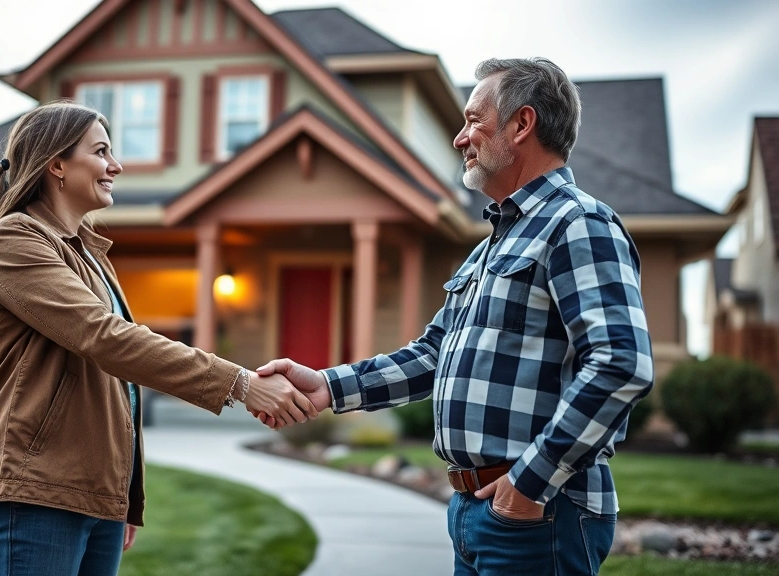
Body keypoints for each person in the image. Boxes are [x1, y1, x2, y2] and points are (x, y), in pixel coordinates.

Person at [257, 57, 654, 576]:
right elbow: (433, 355)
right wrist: (329, 387)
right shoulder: (493, 244)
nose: (459, 138)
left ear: (521, 124)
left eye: (473, 120)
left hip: (539, 515)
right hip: (478, 511)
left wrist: (529, 484)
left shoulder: (577, 223)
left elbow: (622, 362)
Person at [0, 101, 316, 576]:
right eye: (101, 152)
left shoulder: (92, 257)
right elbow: (108, 340)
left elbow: (117, 383)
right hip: (34, 492)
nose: (116, 166)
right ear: (56, 164)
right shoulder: (13, 240)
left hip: (92, 496)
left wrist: (122, 494)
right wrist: (240, 383)